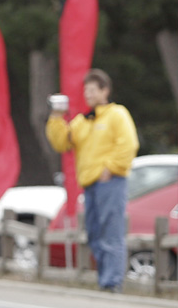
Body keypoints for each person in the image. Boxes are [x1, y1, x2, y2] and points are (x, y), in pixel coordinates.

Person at [45, 68, 139, 293]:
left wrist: (111, 168)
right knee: (95, 233)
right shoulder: (83, 121)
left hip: (110, 182)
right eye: (85, 90)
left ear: (105, 90)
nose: (87, 94)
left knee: (111, 231)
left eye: (93, 89)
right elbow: (63, 143)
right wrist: (57, 117)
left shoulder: (117, 114)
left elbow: (128, 145)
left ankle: (112, 281)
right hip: (89, 184)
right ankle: (105, 279)